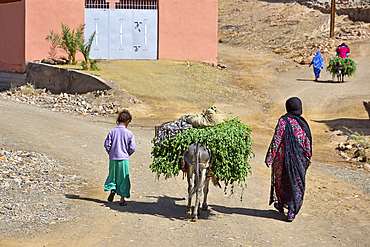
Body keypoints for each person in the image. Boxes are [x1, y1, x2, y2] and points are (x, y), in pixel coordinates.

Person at [265, 97, 312, 222]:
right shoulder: (303, 124)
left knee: (281, 181)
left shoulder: (283, 121)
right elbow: (307, 142)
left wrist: (270, 157)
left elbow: (276, 139)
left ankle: (281, 203)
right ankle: (291, 210)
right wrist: (308, 158)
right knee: (296, 184)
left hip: (283, 158)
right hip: (300, 160)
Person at [104, 109, 136, 206]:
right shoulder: (129, 133)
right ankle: (122, 199)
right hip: (124, 159)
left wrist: (111, 153)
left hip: (113, 158)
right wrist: (127, 154)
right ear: (128, 121)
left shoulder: (112, 132)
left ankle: (113, 189)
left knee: (113, 175)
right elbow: (132, 147)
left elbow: (107, 145)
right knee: (123, 178)